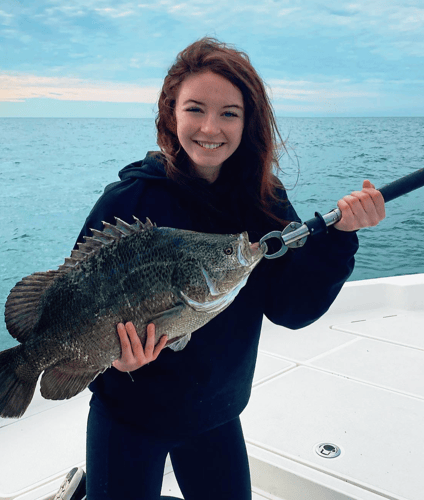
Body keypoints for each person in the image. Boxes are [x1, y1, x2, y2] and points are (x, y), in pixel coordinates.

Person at [55, 37, 385, 500]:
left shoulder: (264, 203)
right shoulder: (126, 202)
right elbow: (74, 303)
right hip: (127, 417)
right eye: (195, 109)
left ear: (248, 122)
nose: (211, 127)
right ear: (171, 114)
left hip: (217, 413)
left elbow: (291, 309)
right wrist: (113, 360)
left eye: (229, 112)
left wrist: (341, 239)